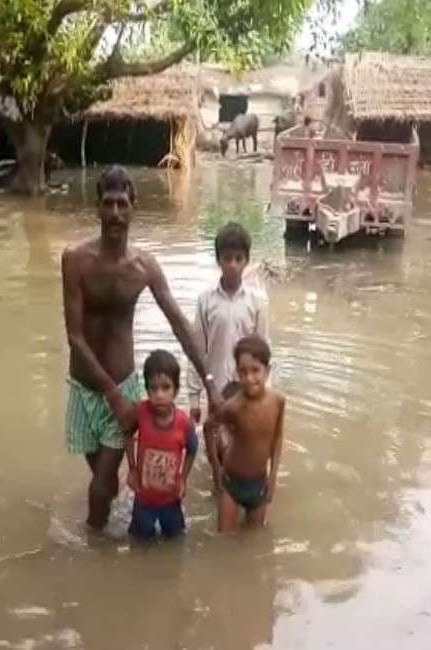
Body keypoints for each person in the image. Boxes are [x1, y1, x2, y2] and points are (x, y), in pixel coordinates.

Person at [61, 165, 220, 531]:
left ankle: (95, 550)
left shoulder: (144, 267)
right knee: (109, 483)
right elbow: (75, 338)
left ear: (134, 206)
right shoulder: (75, 260)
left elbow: (180, 322)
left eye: (122, 204)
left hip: (126, 385)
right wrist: (110, 394)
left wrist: (210, 382)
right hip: (86, 388)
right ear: (98, 208)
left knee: (99, 488)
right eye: (108, 204)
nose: (115, 213)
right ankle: (130, 512)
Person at [186, 221, 268, 491]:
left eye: (238, 258)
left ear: (246, 261)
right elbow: (197, 348)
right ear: (218, 260)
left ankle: (243, 494)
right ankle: (218, 491)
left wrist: (265, 391)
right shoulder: (206, 300)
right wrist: (194, 396)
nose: (232, 264)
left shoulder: (256, 301)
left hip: (249, 389)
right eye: (227, 258)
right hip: (217, 387)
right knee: (217, 447)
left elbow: (265, 350)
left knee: (247, 446)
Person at [209, 334, 285, 532]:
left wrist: (273, 475)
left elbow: (278, 438)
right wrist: (216, 468)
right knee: (224, 540)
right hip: (231, 483)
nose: (249, 378)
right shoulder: (233, 406)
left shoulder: (278, 401)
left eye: (255, 370)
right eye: (243, 372)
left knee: (256, 539)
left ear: (268, 371)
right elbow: (209, 427)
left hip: (259, 483)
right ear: (237, 374)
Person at [125, 350, 198, 539]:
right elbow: (126, 434)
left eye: (166, 388)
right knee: (139, 543)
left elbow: (192, 449)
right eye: (153, 388)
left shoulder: (184, 423)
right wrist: (132, 468)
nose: (159, 395)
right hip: (143, 500)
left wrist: (183, 478)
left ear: (176, 390)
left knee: (175, 541)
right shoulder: (140, 412)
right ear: (146, 389)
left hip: (171, 501)